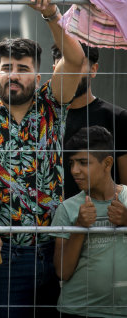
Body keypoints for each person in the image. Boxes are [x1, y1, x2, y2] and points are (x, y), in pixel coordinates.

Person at [0, 0, 85, 317]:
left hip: (54, 248)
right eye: (6, 67)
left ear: (38, 76)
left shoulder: (52, 103)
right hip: (0, 251)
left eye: (22, 69)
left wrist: (51, 14)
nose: (13, 75)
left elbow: (76, 60)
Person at [51, 126, 127, 317]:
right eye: (72, 163)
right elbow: (62, 272)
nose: (74, 171)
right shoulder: (67, 208)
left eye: (83, 162)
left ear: (107, 163)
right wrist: (79, 228)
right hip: (78, 310)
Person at [51, 44, 127, 196]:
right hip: (49, 218)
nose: (70, 72)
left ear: (94, 69)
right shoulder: (42, 118)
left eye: (77, 64)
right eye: (64, 65)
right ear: (55, 69)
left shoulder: (117, 117)